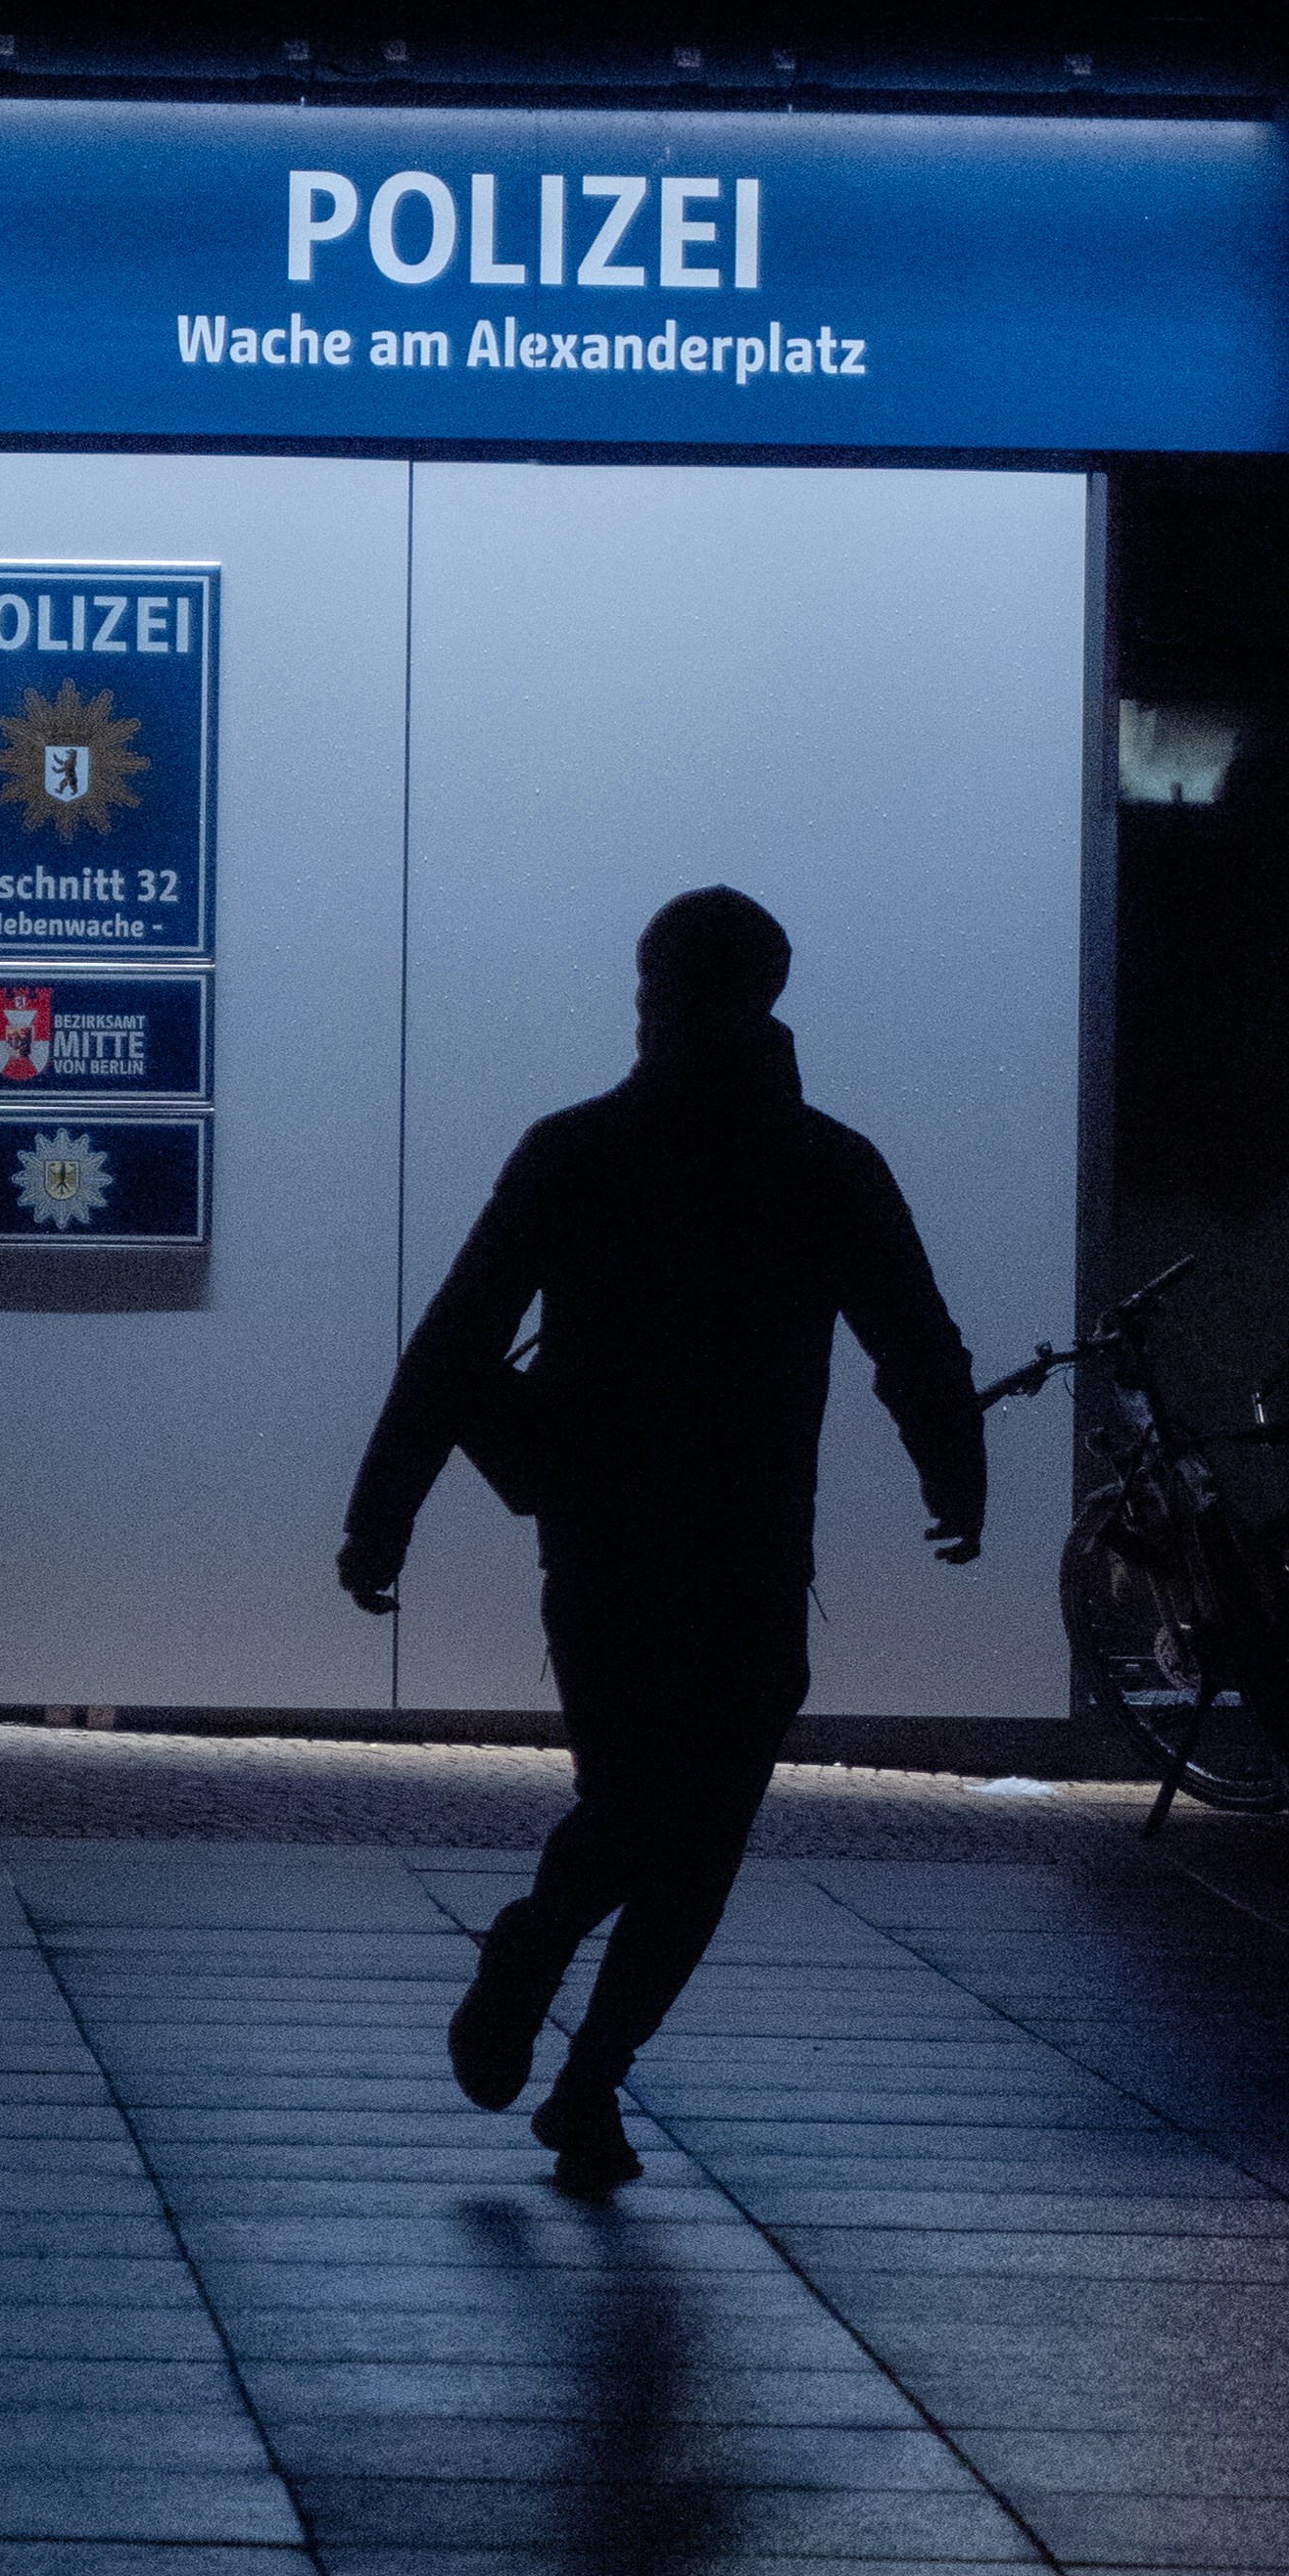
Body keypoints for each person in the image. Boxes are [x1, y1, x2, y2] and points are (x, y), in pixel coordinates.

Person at [338, 885, 985, 2191]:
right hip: (751, 1550)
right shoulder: (825, 1165)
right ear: (768, 993)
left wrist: (382, 1513)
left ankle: (541, 1969)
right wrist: (953, 1469)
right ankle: (584, 2075)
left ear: (656, 994)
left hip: (603, 1540)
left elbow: (457, 1338)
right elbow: (912, 1335)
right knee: (697, 1846)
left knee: (633, 1807)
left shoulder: (578, 1151)